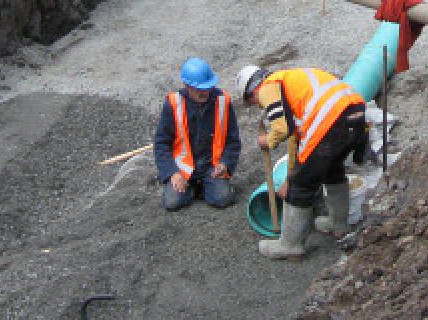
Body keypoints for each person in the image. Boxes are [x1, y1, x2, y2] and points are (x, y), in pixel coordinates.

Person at [235, 65, 368, 259]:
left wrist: (268, 141)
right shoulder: (292, 80)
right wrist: (290, 174)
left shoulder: (267, 87)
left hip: (330, 122)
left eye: (254, 102)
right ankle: (338, 225)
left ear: (251, 91)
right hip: (356, 115)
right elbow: (296, 144)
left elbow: (281, 129)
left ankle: (290, 245)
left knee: (301, 185)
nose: (259, 105)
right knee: (333, 171)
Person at [154, 57, 241, 211]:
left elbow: (233, 141)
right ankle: (194, 188)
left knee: (223, 198)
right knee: (172, 202)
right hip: (184, 168)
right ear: (187, 86)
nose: (205, 92)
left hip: (211, 166)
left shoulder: (223, 101)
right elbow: (161, 144)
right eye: (200, 89)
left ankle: (204, 187)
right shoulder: (173, 104)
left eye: (208, 87)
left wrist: (225, 164)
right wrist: (172, 173)